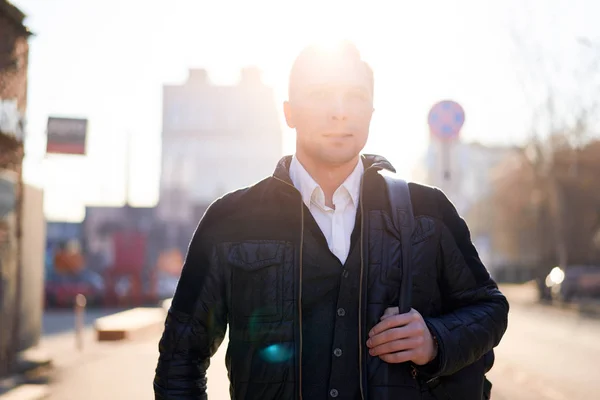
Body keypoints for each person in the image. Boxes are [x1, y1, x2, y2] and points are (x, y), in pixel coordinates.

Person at [154, 41, 509, 400]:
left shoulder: (428, 211)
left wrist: (436, 339)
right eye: (321, 94)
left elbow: (490, 308)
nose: (340, 111)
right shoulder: (230, 220)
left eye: (355, 96)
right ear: (289, 113)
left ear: (371, 111)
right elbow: (180, 359)